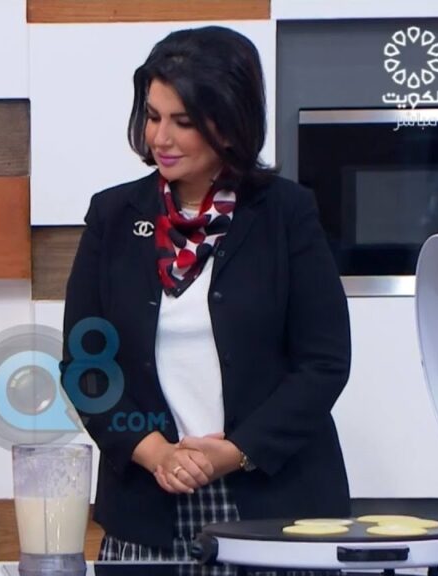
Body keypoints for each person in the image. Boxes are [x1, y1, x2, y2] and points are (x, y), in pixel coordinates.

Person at [60, 26, 352, 561]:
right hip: (147, 506)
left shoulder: (287, 214)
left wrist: (235, 452)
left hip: (278, 505)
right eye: (153, 117)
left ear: (230, 124)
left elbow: (324, 364)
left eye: (183, 122)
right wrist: (154, 453)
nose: (160, 138)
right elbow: (86, 368)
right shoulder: (112, 216)